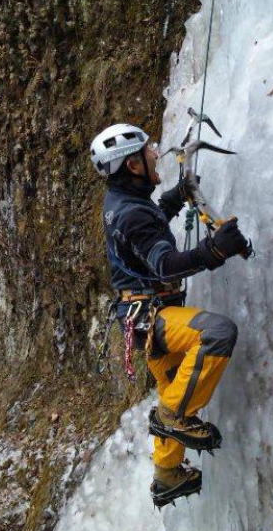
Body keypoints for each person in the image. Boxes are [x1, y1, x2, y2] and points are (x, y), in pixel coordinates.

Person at [90, 123, 249, 507]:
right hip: (154, 317)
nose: (156, 153)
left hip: (144, 317)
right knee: (216, 333)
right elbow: (164, 264)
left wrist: (176, 198)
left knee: (177, 383)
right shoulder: (130, 213)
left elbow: (149, 228)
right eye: (148, 151)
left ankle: (166, 473)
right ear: (132, 165)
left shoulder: (125, 202)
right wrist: (214, 251)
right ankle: (173, 416)